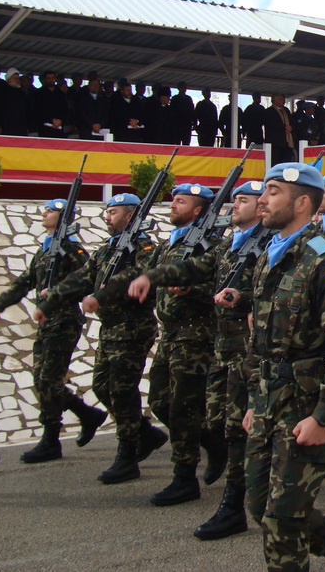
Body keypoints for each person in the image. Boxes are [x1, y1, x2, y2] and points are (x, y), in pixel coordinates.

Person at [238, 162, 325, 571]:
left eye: (272, 192)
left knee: (282, 518)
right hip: (268, 401)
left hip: (305, 405)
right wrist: (254, 400)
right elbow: (260, 343)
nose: (262, 201)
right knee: (259, 505)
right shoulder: (269, 256)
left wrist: (323, 416)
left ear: (302, 202)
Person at [127, 180, 269, 540]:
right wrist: (152, 275)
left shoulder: (272, 245)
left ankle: (234, 504)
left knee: (238, 429)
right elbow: (194, 269)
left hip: (248, 350)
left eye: (243, 200)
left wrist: (244, 298)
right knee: (220, 422)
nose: (235, 206)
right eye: (234, 199)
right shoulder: (228, 245)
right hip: (222, 347)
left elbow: (281, 293)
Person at [36, 193, 165, 484]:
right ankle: (145, 432)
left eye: (114, 212)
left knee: (122, 390)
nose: (107, 217)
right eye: (106, 211)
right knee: (101, 387)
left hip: (133, 326)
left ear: (130, 216)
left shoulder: (144, 246)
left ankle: (127, 454)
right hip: (110, 328)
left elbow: (141, 273)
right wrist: (50, 301)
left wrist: (102, 294)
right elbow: (83, 276)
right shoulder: (108, 248)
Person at [0, 198, 106, 464]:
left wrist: (58, 291)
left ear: (64, 218)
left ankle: (51, 439)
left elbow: (89, 282)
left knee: (47, 381)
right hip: (46, 322)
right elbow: (24, 281)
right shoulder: (45, 251)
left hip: (63, 321)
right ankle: (86, 414)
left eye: (51, 210)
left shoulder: (72, 251)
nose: (44, 213)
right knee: (41, 380)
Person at [264, 93, 296, 163]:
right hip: (275, 143)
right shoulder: (269, 111)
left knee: (286, 162)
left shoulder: (286, 110)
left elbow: (292, 122)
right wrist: (284, 127)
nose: (283, 101)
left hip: (287, 143)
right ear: (274, 100)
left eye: (283, 99)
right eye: (281, 99)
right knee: (275, 162)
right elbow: (271, 124)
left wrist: (291, 127)